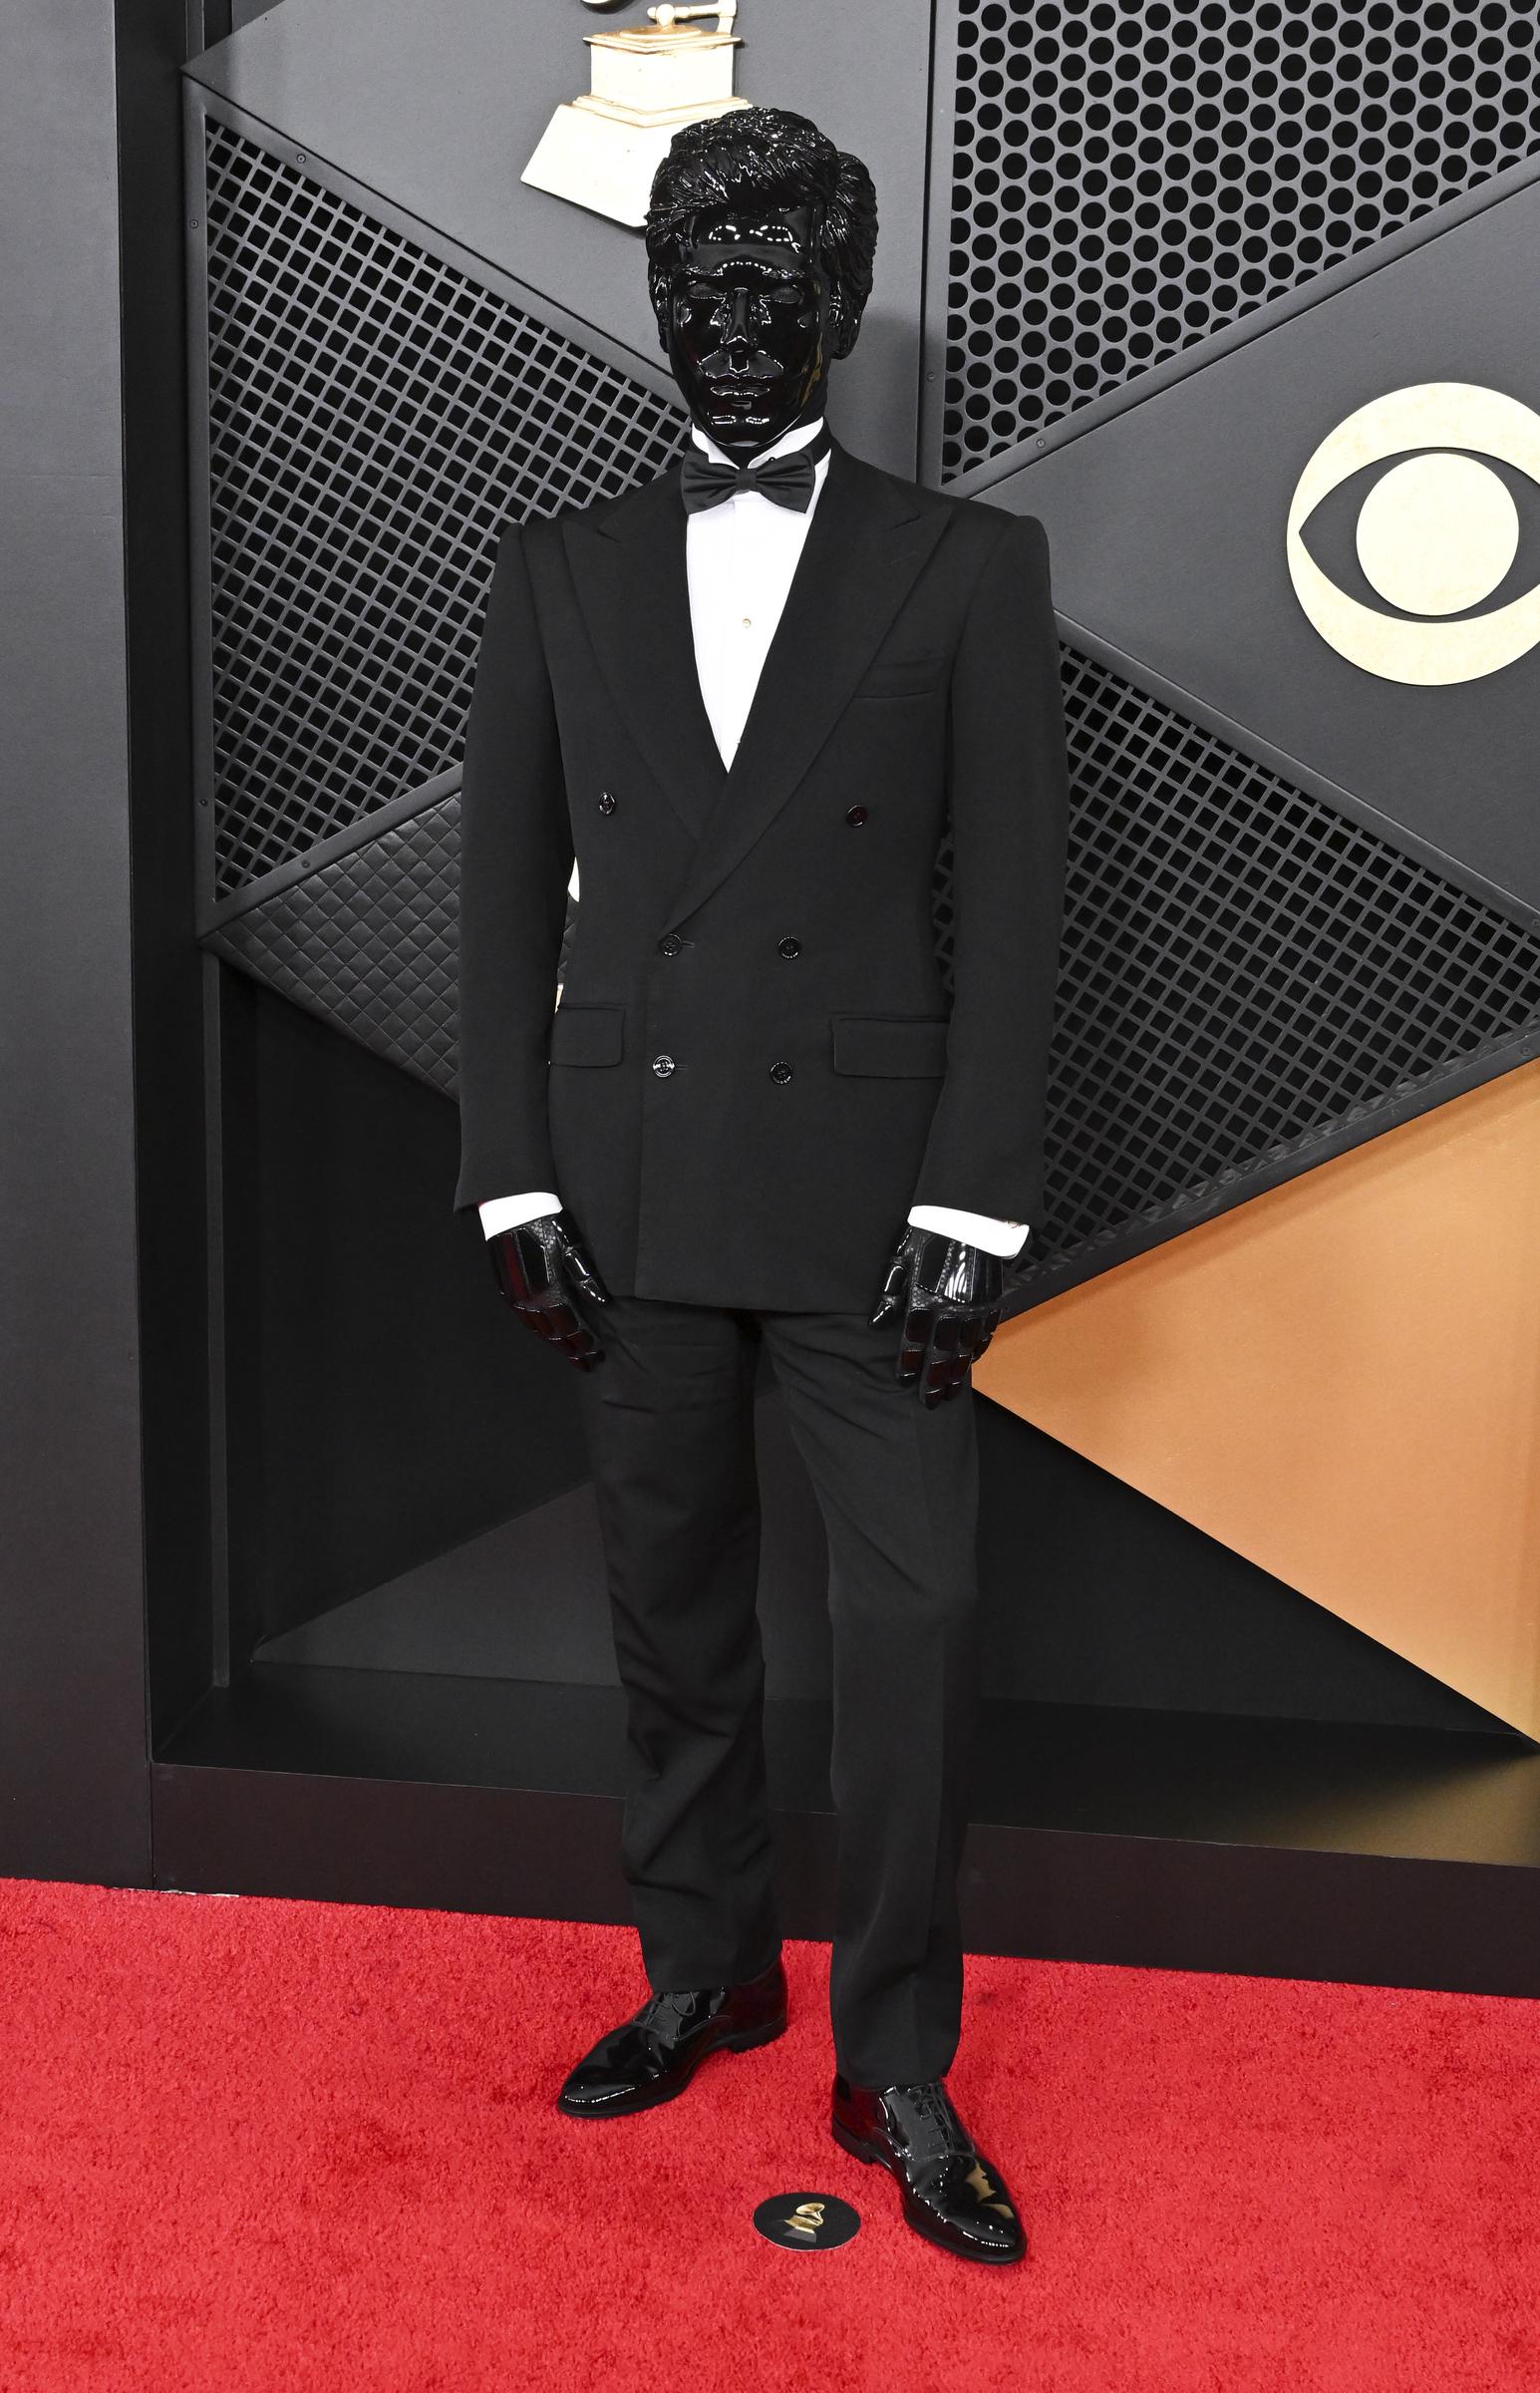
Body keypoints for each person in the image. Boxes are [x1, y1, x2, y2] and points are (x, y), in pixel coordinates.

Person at [452, 104, 1071, 2265]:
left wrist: (973, 1204)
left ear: (837, 309)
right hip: (618, 1181)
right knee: (671, 1613)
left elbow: (1009, 909)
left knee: (907, 1627)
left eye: (769, 294)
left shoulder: (964, 565)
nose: (727, 331)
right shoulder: (558, 567)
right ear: (654, 305)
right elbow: (499, 892)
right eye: (691, 291)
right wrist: (508, 1179)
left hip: (874, 1193)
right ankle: (698, 1970)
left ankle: (893, 2055)